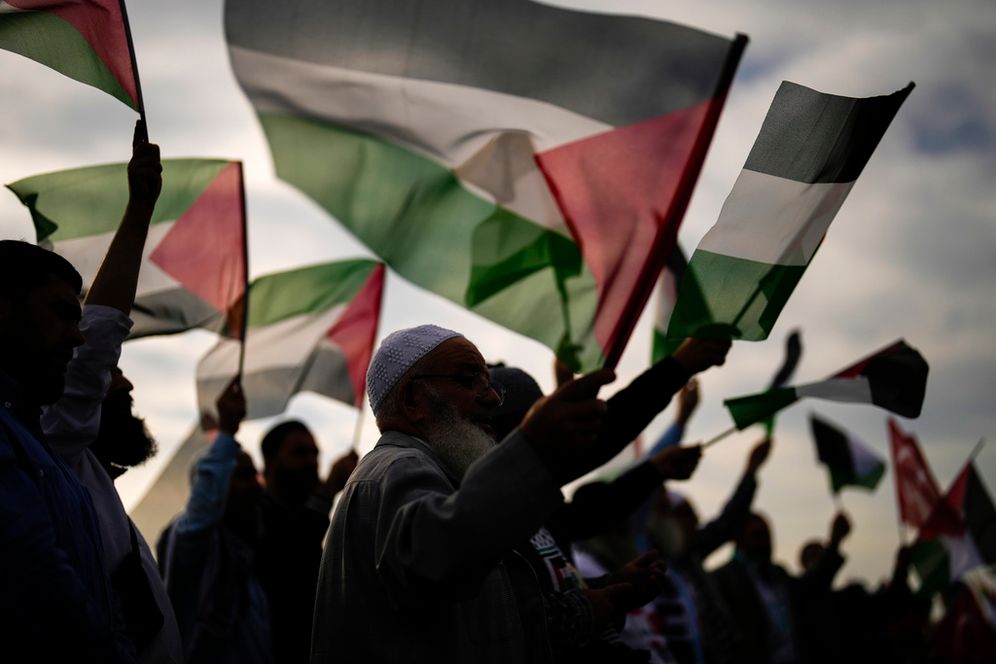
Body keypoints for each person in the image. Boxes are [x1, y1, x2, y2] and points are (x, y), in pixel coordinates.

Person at [312, 324, 620, 663]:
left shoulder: (430, 473)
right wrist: (530, 450)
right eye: (469, 379)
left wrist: (601, 593)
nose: (491, 398)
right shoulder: (397, 469)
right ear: (413, 400)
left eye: (487, 383)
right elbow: (438, 559)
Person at [39, 122, 183, 663]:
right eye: (107, 377)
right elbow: (95, 344)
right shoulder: (50, 447)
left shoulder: (88, 476)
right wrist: (140, 209)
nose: (120, 380)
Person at [0, 239, 135, 663]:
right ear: (2, 308)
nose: (76, 337)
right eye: (61, 313)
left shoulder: (42, 447)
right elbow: (40, 583)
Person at [159, 379, 273, 664]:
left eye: (254, 476)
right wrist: (226, 432)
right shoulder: (192, 542)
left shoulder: (243, 558)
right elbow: (202, 513)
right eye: (243, 476)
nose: (257, 487)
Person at [255, 420, 357, 664]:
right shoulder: (254, 515)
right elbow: (293, 549)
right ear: (270, 462)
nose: (312, 462)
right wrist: (329, 488)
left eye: (315, 454)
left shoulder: (301, 517)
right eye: (300, 453)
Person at [710, 511, 851, 664]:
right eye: (757, 536)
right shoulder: (724, 580)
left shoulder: (778, 574)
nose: (764, 543)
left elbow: (810, 588)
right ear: (739, 540)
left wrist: (835, 541)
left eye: (767, 536)